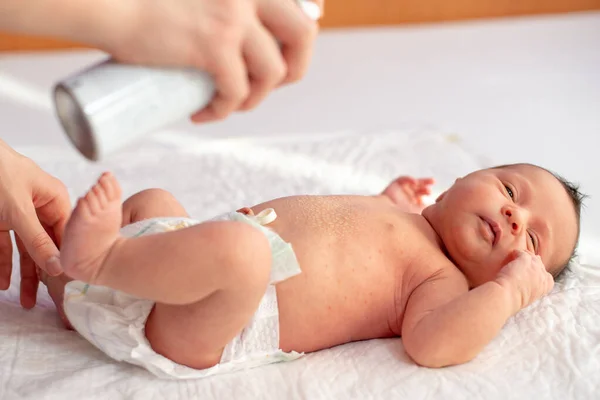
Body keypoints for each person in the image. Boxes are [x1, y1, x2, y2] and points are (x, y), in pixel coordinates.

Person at [40, 163, 584, 378]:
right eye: (511, 190)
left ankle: (103, 260)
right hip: (179, 263)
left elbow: (435, 344)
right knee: (157, 201)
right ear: (462, 178)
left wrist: (510, 295)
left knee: (244, 253)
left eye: (532, 240)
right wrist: (385, 198)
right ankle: (68, 277)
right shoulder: (403, 217)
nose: (515, 215)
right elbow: (347, 231)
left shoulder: (439, 279)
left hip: (214, 322)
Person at [0, 0, 324, 306]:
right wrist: (135, 14)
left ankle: (98, 265)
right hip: (213, 286)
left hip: (228, 307)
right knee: (158, 204)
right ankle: (84, 271)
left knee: (242, 251)